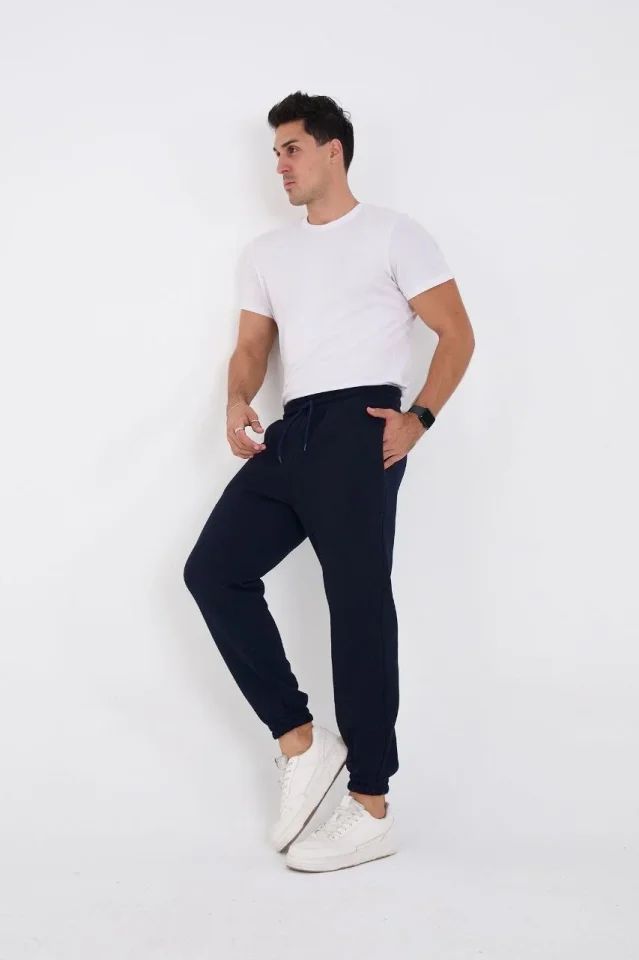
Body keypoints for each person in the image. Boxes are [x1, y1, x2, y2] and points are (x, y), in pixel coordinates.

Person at [183, 91, 475, 872]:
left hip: (359, 428)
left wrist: (420, 417)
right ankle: (300, 741)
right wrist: (237, 398)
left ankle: (371, 804)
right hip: (293, 431)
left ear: (332, 149)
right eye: (274, 152)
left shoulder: (392, 233)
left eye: (291, 148)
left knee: (357, 605)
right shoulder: (266, 253)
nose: (279, 164)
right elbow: (253, 346)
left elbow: (455, 332)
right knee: (212, 572)